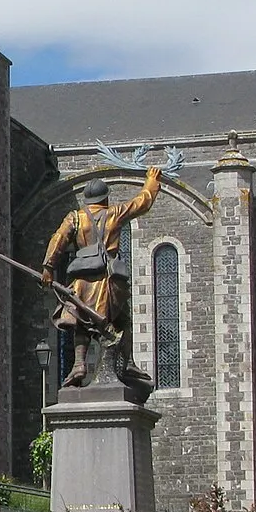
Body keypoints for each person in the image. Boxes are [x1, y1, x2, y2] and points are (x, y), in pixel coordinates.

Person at [40, 164, 161, 387]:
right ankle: (127, 362)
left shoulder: (75, 218)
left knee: (82, 323)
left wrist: (48, 267)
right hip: (107, 280)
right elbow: (142, 202)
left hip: (81, 281)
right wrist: (151, 181)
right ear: (105, 199)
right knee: (122, 320)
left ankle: (79, 364)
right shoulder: (113, 213)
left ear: (86, 200)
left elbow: (58, 239)